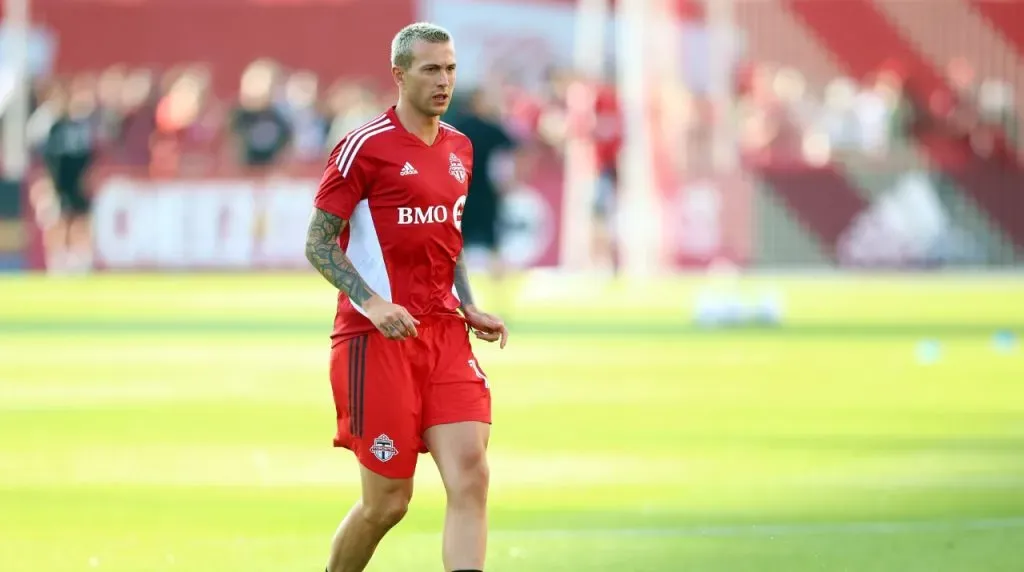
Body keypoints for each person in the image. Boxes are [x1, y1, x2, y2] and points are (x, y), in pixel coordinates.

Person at [304, 22, 509, 572]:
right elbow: (318, 243)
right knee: (387, 504)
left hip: (444, 333)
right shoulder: (362, 148)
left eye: (450, 69)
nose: (444, 81)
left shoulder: (460, 148)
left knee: (471, 474)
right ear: (399, 74)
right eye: (430, 70)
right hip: (377, 340)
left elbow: (449, 237)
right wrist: (373, 302)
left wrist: (467, 302)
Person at [448, 88, 517, 279]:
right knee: (491, 238)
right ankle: (498, 279)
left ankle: (455, 282)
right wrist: (510, 180)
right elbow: (513, 148)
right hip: (484, 189)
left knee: (458, 238)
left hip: (462, 189)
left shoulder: (454, 126)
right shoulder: (490, 127)